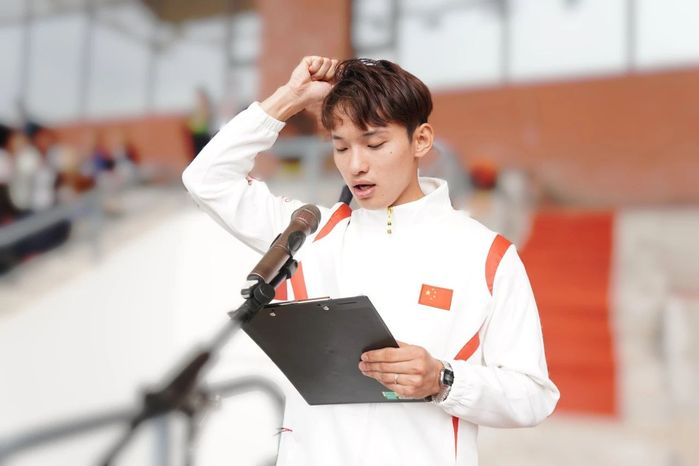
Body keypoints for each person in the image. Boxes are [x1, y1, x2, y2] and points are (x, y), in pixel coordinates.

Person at [182, 56, 559, 466]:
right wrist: (290, 98)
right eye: (341, 147)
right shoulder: (311, 234)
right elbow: (207, 179)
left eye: (374, 144)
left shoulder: (487, 255)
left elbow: (533, 396)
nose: (355, 165)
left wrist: (444, 378)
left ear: (421, 140)